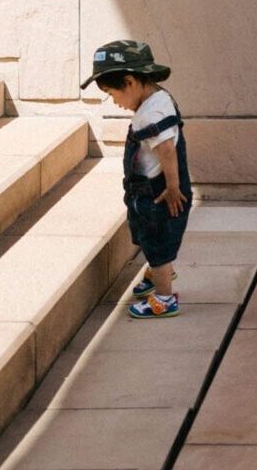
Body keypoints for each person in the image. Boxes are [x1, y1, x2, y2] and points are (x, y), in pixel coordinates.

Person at [81, 40, 191, 319]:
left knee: (157, 241)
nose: (115, 102)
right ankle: (158, 273)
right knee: (149, 235)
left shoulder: (150, 114)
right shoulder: (159, 98)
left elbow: (167, 150)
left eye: (112, 93)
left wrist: (172, 187)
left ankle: (165, 298)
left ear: (129, 82)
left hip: (158, 191)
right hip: (150, 188)